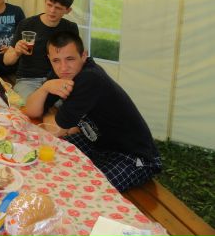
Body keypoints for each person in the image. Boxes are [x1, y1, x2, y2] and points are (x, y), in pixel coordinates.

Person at [24, 31, 162, 192]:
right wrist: (46, 88)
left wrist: (49, 114)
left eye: (70, 59)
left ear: (83, 56)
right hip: (97, 142)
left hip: (132, 156)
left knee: (85, 190)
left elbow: (55, 129)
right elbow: (32, 111)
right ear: (49, 59)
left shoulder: (90, 78)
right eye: (56, 60)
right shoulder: (61, 73)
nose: (63, 67)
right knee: (42, 155)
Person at [3, 0, 79, 101]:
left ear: (68, 10)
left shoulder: (70, 28)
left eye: (58, 8)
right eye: (49, 5)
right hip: (28, 80)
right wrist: (16, 52)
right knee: (32, 105)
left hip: (58, 79)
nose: (52, 10)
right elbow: (6, 61)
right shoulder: (27, 24)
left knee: (71, 106)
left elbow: (75, 60)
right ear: (45, 2)